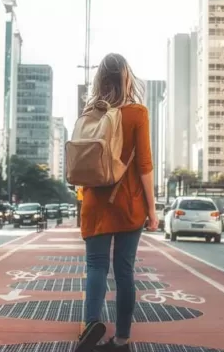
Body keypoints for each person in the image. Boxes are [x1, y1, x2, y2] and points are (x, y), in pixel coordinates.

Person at [75, 53, 159, 352]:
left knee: (96, 266)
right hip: (129, 204)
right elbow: (145, 165)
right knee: (124, 271)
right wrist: (152, 210)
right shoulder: (137, 113)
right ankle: (122, 338)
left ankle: (90, 325)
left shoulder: (90, 113)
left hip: (95, 202)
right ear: (126, 77)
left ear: (100, 79)